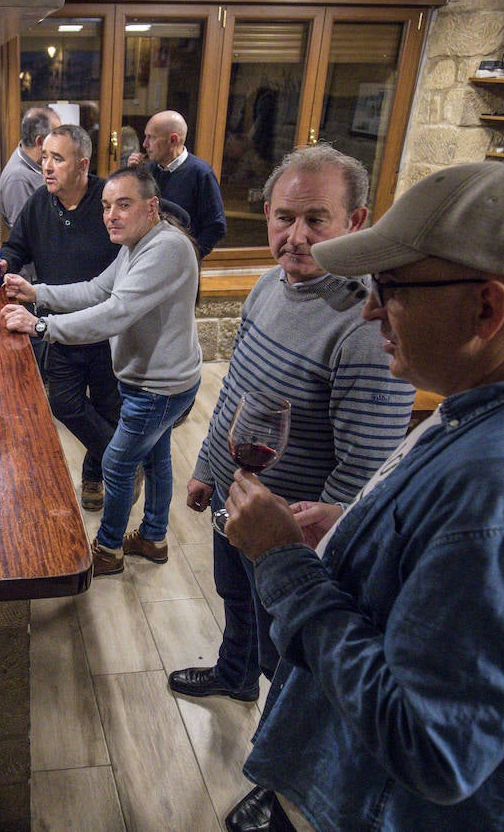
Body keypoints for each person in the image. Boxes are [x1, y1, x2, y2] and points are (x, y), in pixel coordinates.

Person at [218, 160, 504, 832]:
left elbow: (433, 748)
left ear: (487, 307)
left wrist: (281, 562)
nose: (370, 308)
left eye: (391, 288)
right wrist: (361, 530)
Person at [169, 145, 414, 707]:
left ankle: (274, 753)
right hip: (239, 497)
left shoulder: (365, 324)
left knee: (286, 651)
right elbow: (236, 389)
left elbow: (366, 461)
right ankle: (233, 675)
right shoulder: (269, 284)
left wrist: (310, 540)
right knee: (234, 597)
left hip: (291, 529)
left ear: (355, 221)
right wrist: (209, 466)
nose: (295, 236)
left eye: (315, 219)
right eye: (284, 218)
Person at [0, 167, 201, 575]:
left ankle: (108, 550)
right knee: (156, 459)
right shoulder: (137, 244)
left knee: (117, 464)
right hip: (155, 378)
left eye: (123, 205)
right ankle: (154, 538)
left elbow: (115, 313)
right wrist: (38, 292)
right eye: (107, 206)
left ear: (151, 206)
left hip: (159, 386)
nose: (111, 215)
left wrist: (42, 326)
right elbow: (97, 289)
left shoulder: (166, 248)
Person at [1, 124, 121, 512]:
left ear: (82, 164)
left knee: (107, 408)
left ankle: (94, 475)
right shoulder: (40, 202)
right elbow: (16, 247)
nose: (47, 167)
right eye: (44, 158)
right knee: (65, 404)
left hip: (106, 327)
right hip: (57, 327)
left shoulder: (109, 201)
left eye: (58, 159)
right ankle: (122, 460)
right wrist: (4, 264)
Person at [128, 109, 227, 259]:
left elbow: (216, 226)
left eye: (151, 138)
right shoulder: (148, 170)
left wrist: (190, 255)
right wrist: (132, 175)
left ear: (173, 140)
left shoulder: (201, 173)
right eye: (145, 137)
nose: (145, 144)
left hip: (181, 260)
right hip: (147, 256)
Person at [0, 105, 61, 225]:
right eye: (56, 138)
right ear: (40, 142)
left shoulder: (37, 163)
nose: (61, 143)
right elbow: (25, 232)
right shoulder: (17, 179)